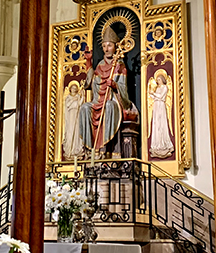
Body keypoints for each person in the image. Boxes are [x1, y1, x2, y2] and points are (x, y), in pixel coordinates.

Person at [78, 25, 136, 157]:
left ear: (115, 46)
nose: (106, 49)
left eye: (109, 45)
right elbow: (90, 84)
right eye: (104, 46)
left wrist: (115, 85)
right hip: (98, 101)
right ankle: (90, 150)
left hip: (114, 101)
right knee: (85, 108)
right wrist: (88, 62)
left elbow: (124, 91)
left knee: (109, 106)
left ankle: (107, 149)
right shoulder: (99, 65)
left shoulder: (120, 66)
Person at [148, 72, 175, 158]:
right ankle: (156, 145)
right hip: (156, 105)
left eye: (159, 79)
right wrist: (150, 94)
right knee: (156, 124)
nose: (158, 81)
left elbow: (160, 96)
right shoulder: (157, 88)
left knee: (162, 124)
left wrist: (153, 93)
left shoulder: (165, 87)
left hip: (161, 105)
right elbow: (155, 97)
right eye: (157, 80)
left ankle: (164, 144)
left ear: (162, 80)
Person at [62, 81, 84, 159]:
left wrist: (82, 96)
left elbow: (80, 104)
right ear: (70, 89)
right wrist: (73, 100)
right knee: (70, 133)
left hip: (76, 117)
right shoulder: (68, 97)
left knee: (77, 133)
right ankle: (69, 151)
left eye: (75, 88)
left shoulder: (78, 96)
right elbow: (67, 105)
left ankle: (76, 150)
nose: (74, 89)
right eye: (73, 88)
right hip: (70, 117)